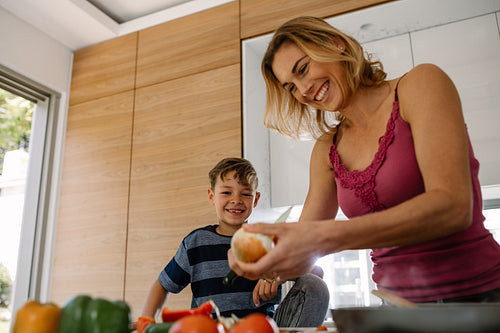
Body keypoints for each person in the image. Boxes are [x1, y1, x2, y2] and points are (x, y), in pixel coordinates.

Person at [228, 16, 500, 303]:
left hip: (479, 296)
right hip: (398, 309)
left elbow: (453, 207)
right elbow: (304, 241)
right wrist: (264, 256)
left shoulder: (421, 85)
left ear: (337, 44)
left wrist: (324, 237)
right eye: (291, 87)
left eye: (303, 69)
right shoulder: (326, 150)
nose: (304, 90)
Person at [138, 157, 329, 329]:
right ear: (212, 196)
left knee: (315, 284)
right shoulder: (195, 242)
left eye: (246, 194)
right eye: (227, 192)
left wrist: (277, 275)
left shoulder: (269, 239)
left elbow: (316, 274)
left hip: (263, 329)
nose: (236, 200)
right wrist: (146, 321)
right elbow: (163, 285)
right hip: (211, 330)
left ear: (256, 200)